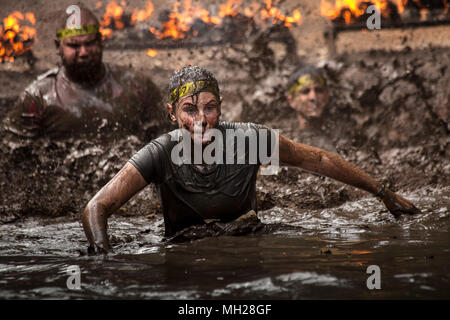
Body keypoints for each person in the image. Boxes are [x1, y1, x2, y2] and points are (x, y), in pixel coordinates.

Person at [81, 65, 420, 254]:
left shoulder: (249, 139)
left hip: (248, 243)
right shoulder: (160, 153)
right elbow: (96, 208)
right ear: (172, 113)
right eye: (189, 109)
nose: (201, 119)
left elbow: (317, 160)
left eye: (210, 108)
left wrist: (383, 192)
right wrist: (103, 259)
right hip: (182, 252)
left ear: (221, 107)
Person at [2, 6, 168, 140]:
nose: (83, 52)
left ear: (101, 42)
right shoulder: (38, 96)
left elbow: (164, 139)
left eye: (89, 43)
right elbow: (13, 157)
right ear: (58, 46)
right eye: (74, 46)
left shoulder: (136, 85)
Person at [286, 66, 330, 130]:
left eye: (318, 90)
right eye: (305, 92)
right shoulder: (275, 136)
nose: (313, 97)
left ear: (327, 96)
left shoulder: (344, 131)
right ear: (291, 100)